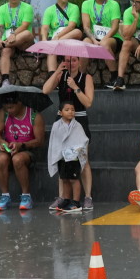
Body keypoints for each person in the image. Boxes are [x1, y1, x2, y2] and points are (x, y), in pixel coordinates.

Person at [42, 55, 95, 211]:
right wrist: (57, 71)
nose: (70, 63)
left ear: (78, 61)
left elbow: (88, 102)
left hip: (79, 120)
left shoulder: (86, 78)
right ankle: (62, 197)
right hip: (62, 121)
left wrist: (75, 87)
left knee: (83, 159)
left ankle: (88, 197)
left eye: (73, 60)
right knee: (62, 158)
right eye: (67, 60)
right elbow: (45, 90)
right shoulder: (61, 75)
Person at [0, 93, 46, 212]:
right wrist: (2, 142)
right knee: (0, 158)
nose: (9, 110)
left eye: (11, 107)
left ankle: (26, 196)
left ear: (20, 103)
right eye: (6, 107)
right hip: (9, 149)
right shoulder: (2, 113)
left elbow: (40, 141)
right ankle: (5, 196)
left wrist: (21, 145)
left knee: (18, 159)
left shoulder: (35, 116)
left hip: (27, 150)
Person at [46, 101, 88, 214]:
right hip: (62, 157)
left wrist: (75, 150)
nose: (70, 112)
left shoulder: (77, 125)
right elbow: (54, 141)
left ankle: (76, 202)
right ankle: (66, 200)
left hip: (73, 158)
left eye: (73, 110)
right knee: (64, 179)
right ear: (60, 112)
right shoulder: (56, 125)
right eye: (67, 110)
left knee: (74, 179)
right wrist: (58, 152)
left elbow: (83, 140)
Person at [81, 0, 122, 85]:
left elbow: (115, 27)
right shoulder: (86, 4)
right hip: (94, 37)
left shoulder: (114, 4)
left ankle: (114, 77)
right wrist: (94, 40)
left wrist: (103, 39)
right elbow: (86, 27)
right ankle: (81, 76)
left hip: (111, 37)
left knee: (104, 44)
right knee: (84, 44)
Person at [39, 0, 82, 73]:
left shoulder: (74, 8)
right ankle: (52, 75)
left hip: (69, 37)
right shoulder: (49, 10)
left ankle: (54, 43)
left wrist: (58, 37)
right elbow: (45, 27)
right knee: (51, 50)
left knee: (77, 32)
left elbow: (71, 26)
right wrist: (44, 39)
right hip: (54, 37)